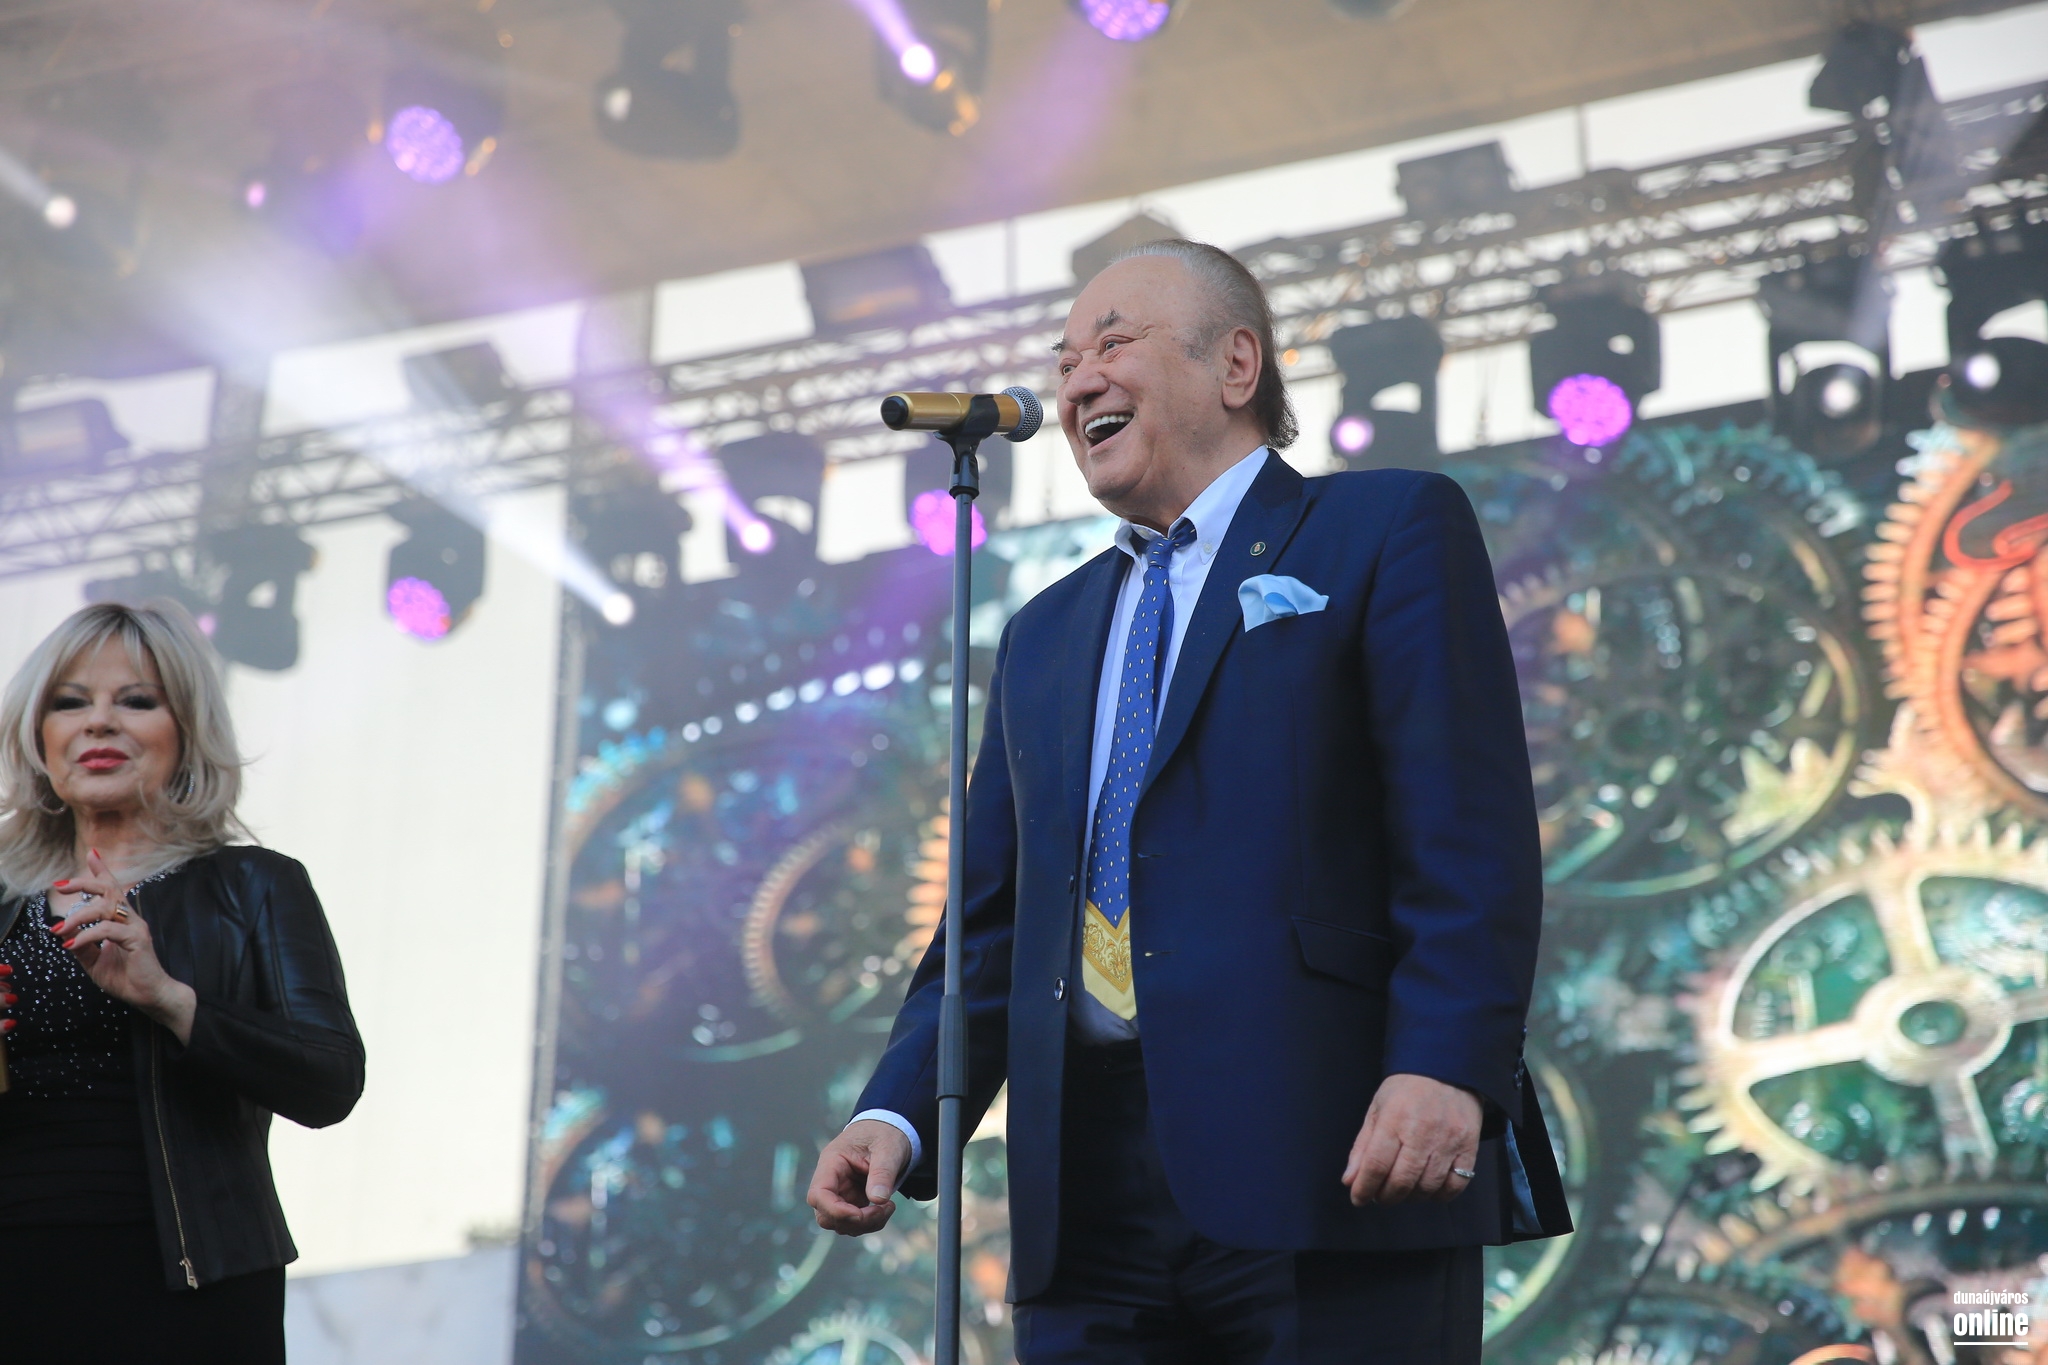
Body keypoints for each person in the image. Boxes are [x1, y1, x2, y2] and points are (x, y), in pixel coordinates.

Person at [807, 240, 1571, 1362]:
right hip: (1083, 1204)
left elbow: (1463, 828)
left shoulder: (1383, 528)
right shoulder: (1043, 633)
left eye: (1112, 343)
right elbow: (993, 922)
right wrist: (895, 1111)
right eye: (1065, 360)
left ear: (1235, 365)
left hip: (1327, 1154)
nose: (1077, 382)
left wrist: (1446, 1063)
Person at [0, 601, 364, 1365]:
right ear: (39, 735)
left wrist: (169, 997)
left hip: (189, 1286)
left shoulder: (253, 886)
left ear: (186, 731)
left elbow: (329, 1078)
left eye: (136, 700)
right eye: (71, 702)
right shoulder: (5, 905)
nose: (100, 722)